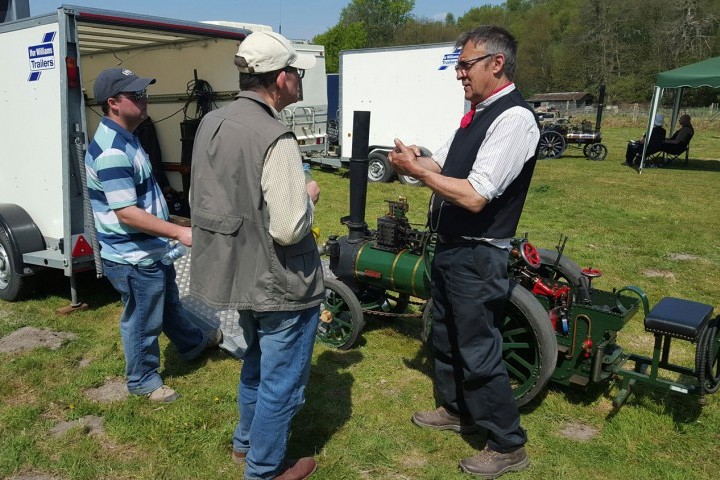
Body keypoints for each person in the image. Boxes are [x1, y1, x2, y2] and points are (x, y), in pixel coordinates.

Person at [388, 26, 539, 479]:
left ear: (497, 63)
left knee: (478, 347)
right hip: (453, 249)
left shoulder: (514, 119)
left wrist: (419, 172)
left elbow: (475, 195)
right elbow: (447, 167)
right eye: (458, 65)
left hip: (478, 254)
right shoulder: (476, 113)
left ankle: (507, 442)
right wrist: (416, 161)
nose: (459, 74)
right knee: (446, 334)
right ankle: (456, 410)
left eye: (465, 64)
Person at [189, 31, 323, 480]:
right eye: (297, 73)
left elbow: (205, 196)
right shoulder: (275, 135)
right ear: (282, 78)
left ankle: (246, 444)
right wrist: (308, 196)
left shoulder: (212, 122)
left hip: (239, 271)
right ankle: (264, 470)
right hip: (280, 279)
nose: (298, 81)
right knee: (282, 381)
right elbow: (287, 228)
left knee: (256, 359)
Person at [85, 68, 221, 403]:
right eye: (136, 95)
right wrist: (179, 231)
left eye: (144, 93)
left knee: (168, 304)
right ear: (113, 103)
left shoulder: (127, 137)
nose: (144, 100)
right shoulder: (113, 151)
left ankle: (191, 344)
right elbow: (126, 212)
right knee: (143, 320)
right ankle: (143, 380)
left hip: (149, 251)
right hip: (133, 257)